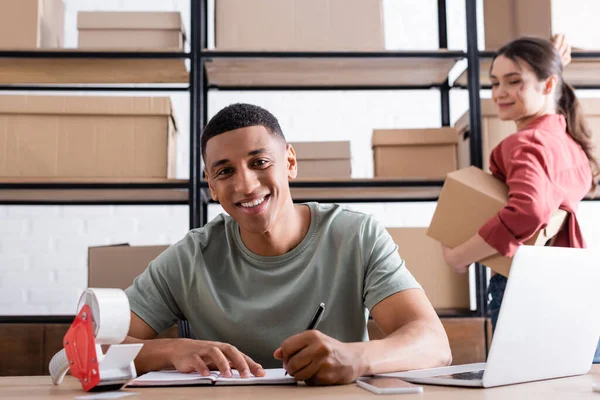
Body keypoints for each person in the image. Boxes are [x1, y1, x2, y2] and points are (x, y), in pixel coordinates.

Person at [123, 103, 452, 385]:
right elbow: (85, 347)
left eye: (259, 162)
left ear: (290, 162)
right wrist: (170, 350)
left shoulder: (356, 236)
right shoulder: (191, 257)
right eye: (224, 171)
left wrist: (355, 357)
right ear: (210, 186)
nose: (246, 185)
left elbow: (434, 344)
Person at [440, 36, 599, 359]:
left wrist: (461, 256)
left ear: (548, 84)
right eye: (494, 82)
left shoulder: (524, 143)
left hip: (525, 289)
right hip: (575, 286)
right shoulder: (570, 144)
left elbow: (529, 210)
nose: (499, 93)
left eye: (514, 82)